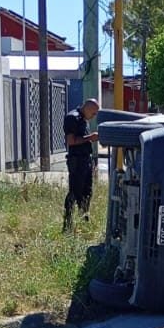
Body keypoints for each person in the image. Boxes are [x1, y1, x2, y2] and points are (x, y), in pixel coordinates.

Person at [62, 98, 100, 230]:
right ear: (87, 108)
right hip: (76, 160)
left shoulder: (84, 119)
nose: (94, 116)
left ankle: (84, 218)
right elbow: (71, 141)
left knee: (88, 191)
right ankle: (68, 223)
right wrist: (90, 137)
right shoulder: (73, 118)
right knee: (75, 191)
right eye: (93, 113)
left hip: (86, 159)